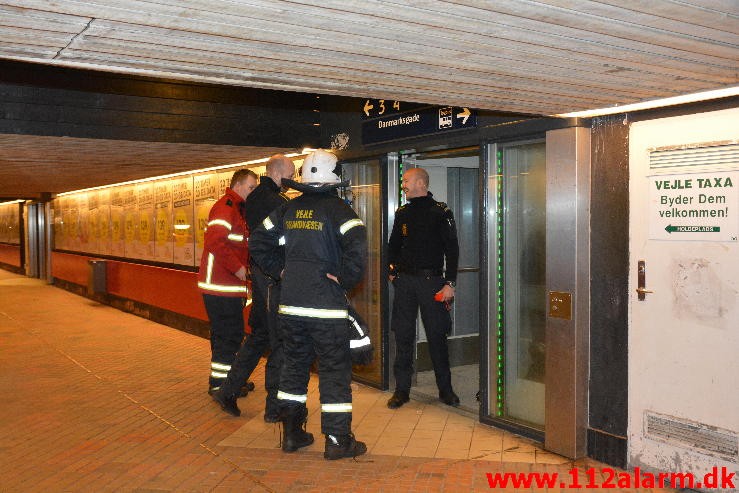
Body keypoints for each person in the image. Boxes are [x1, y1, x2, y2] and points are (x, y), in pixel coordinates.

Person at [249, 149, 368, 460]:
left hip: (290, 307)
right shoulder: (340, 211)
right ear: (334, 177)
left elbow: (258, 241)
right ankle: (338, 440)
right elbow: (357, 254)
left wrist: (279, 270)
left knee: (293, 368)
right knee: (334, 372)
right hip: (326, 310)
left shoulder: (288, 210)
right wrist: (342, 279)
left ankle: (291, 434)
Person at [212, 155, 295, 420]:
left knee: (259, 335)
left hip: (260, 277)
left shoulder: (254, 199)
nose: (293, 180)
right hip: (273, 279)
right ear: (279, 173)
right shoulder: (276, 202)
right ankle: (274, 407)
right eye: (291, 174)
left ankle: (228, 390)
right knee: (279, 338)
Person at [387, 167, 460, 409]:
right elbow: (393, 245)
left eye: (406, 180)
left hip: (432, 282)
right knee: (404, 335)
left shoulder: (440, 212)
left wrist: (450, 283)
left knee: (437, 336)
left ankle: (445, 390)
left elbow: (452, 249)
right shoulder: (403, 212)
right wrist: (393, 272)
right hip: (406, 283)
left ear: (420, 182)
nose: (403, 185)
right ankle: (402, 390)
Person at [197, 169, 258, 395]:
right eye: (251, 187)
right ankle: (219, 385)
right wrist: (239, 268)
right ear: (238, 185)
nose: (253, 192)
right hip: (220, 287)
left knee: (229, 335)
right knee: (228, 336)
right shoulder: (226, 208)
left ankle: (230, 381)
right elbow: (215, 243)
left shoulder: (238, 210)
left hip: (229, 287)